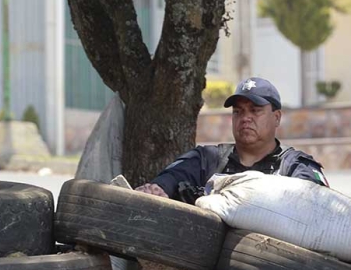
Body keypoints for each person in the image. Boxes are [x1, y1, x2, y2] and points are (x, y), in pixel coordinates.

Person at [136, 77, 329, 204]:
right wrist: (158, 189)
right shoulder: (207, 160)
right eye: (238, 111)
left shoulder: (295, 166)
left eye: (255, 110)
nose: (245, 117)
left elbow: (316, 202)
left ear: (276, 117)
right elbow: (171, 178)